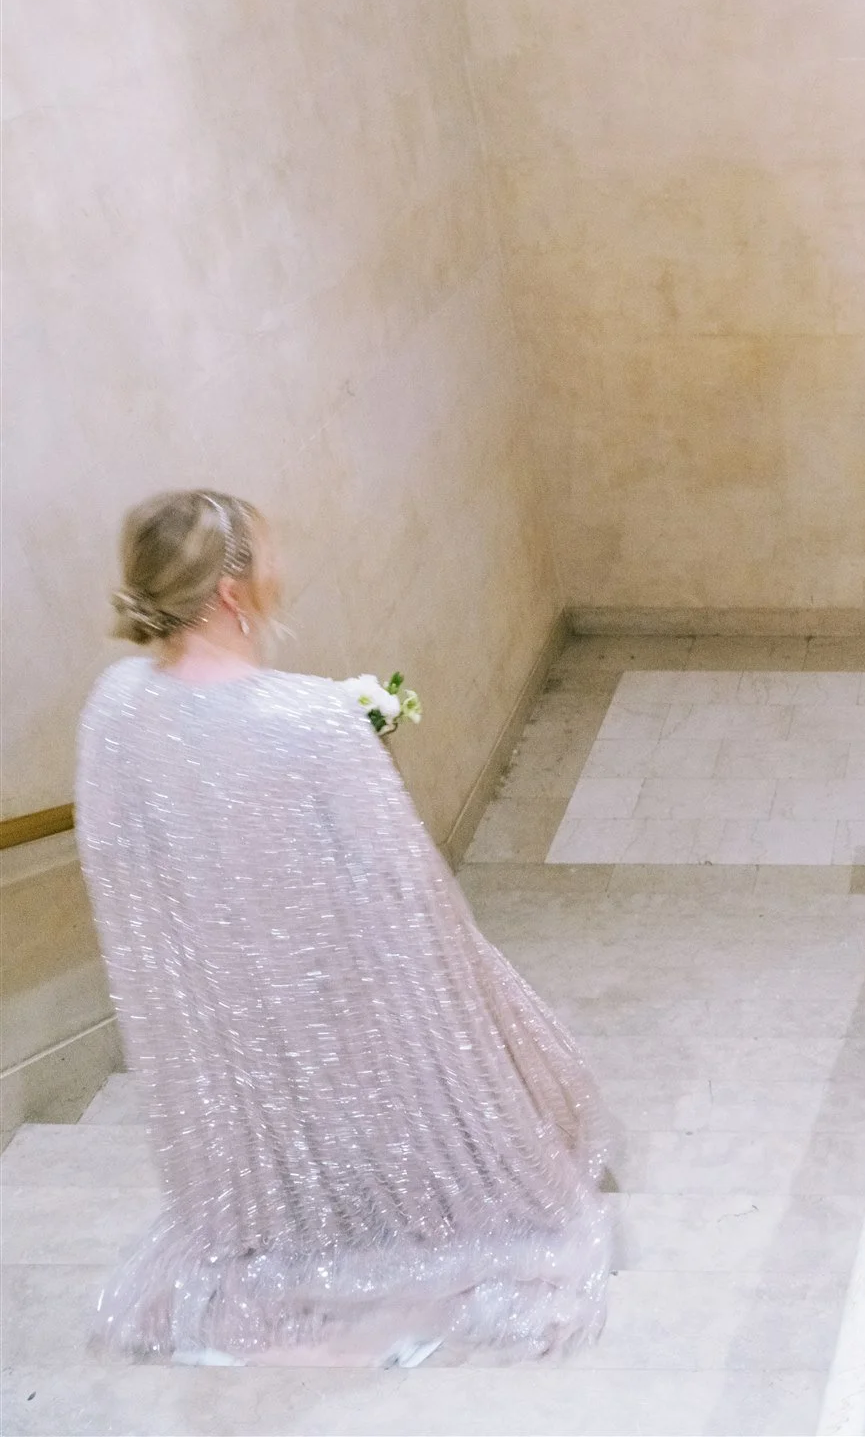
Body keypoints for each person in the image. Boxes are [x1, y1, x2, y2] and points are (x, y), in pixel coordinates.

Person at [75, 490, 613, 1367]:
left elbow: (125, 861)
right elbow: (404, 896)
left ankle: (298, 1206)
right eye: (269, 556)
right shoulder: (309, 720)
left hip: (219, 999)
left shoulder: (115, 707)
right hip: (331, 979)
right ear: (231, 593)